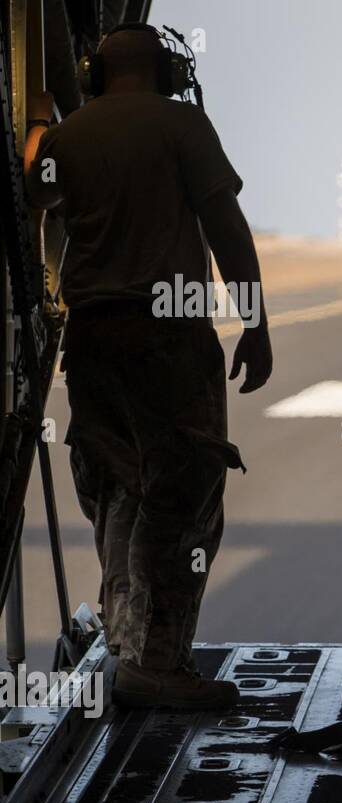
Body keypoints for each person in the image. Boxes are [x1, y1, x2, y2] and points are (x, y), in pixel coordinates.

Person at [23, 23, 272, 709]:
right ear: (165, 73)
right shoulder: (181, 125)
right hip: (170, 334)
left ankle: (127, 643)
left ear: (97, 75)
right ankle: (157, 663)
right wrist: (255, 322)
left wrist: (42, 123)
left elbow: (35, 194)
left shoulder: (71, 137)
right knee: (183, 494)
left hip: (96, 339)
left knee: (118, 490)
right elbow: (226, 227)